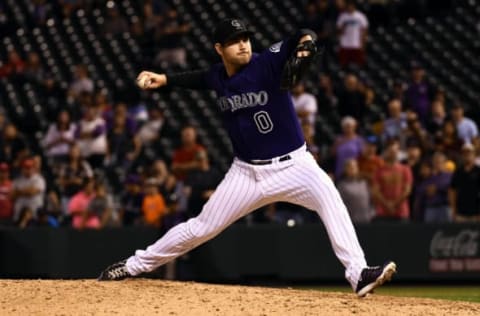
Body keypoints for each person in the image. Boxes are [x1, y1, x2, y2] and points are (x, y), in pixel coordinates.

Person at [98, 18, 395, 297]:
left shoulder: (267, 62)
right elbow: (199, 78)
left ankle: (358, 274)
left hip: (295, 165)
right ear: (219, 49)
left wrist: (305, 45)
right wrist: (164, 79)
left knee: (331, 200)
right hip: (245, 174)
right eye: (234, 41)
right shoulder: (218, 76)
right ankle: (133, 266)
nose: (243, 45)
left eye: (245, 38)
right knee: (201, 227)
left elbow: (303, 34)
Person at [371, 139, 412, 222]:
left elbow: (407, 190)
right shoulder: (379, 171)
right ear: (386, 152)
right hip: (383, 212)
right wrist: (387, 204)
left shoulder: (405, 169)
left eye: (395, 151)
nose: (393, 153)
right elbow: (375, 191)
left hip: (401, 212)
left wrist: (394, 204)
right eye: (390, 151)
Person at [449, 143, 480, 222]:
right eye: (465, 154)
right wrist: (453, 209)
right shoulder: (458, 172)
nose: (467, 156)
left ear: (474, 155)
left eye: (469, 153)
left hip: (476, 213)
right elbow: (453, 191)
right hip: (460, 212)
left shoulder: (478, 171)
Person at [337, 159, 373, 224]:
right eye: (350, 167)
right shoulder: (342, 186)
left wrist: (371, 214)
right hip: (350, 222)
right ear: (346, 169)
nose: (353, 169)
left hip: (367, 221)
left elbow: (371, 200)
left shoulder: (364, 183)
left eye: (354, 167)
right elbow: (339, 205)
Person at [336, 0, 368, 67]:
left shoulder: (360, 16)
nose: (350, 8)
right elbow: (339, 30)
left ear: (354, 7)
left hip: (356, 44)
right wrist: (343, 28)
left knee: (359, 64)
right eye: (349, 7)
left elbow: (364, 30)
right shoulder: (343, 16)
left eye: (351, 6)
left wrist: (363, 43)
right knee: (343, 64)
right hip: (345, 44)